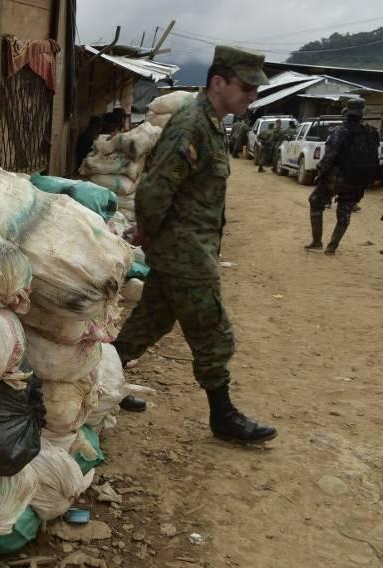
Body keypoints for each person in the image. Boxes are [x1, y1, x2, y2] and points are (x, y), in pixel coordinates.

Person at [113, 45, 277, 444]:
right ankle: (223, 416)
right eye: (246, 87)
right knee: (212, 330)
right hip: (184, 251)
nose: (252, 95)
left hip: (186, 246)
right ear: (218, 82)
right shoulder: (192, 123)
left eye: (256, 89)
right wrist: (148, 232)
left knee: (150, 320)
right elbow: (155, 188)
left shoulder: (211, 122)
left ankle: (103, 383)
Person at [305, 98, 381, 254]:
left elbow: (329, 157)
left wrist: (320, 175)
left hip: (337, 177)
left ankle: (317, 242)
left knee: (315, 201)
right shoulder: (372, 133)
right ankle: (332, 247)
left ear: (347, 114)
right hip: (358, 180)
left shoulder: (340, 131)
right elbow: (375, 158)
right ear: (362, 115)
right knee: (345, 213)